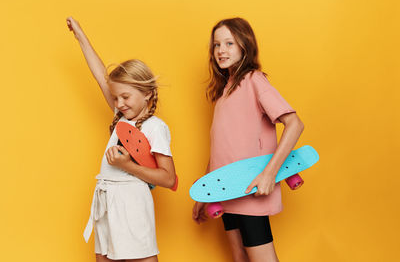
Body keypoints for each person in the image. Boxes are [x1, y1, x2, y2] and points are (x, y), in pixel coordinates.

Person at [192, 18, 304, 262]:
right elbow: (220, 146)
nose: (221, 50)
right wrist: (205, 190)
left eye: (229, 43)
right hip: (226, 190)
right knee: (238, 257)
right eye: (217, 45)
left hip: (250, 189)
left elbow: (295, 124)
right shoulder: (224, 93)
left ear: (245, 45)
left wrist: (269, 174)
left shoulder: (254, 80)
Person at [67, 17, 177, 262]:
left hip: (132, 203)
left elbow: (168, 178)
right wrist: (80, 35)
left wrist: (127, 165)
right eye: (115, 98)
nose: (118, 103)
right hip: (107, 198)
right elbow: (99, 75)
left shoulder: (155, 127)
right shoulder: (122, 118)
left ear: (147, 93)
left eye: (125, 96)